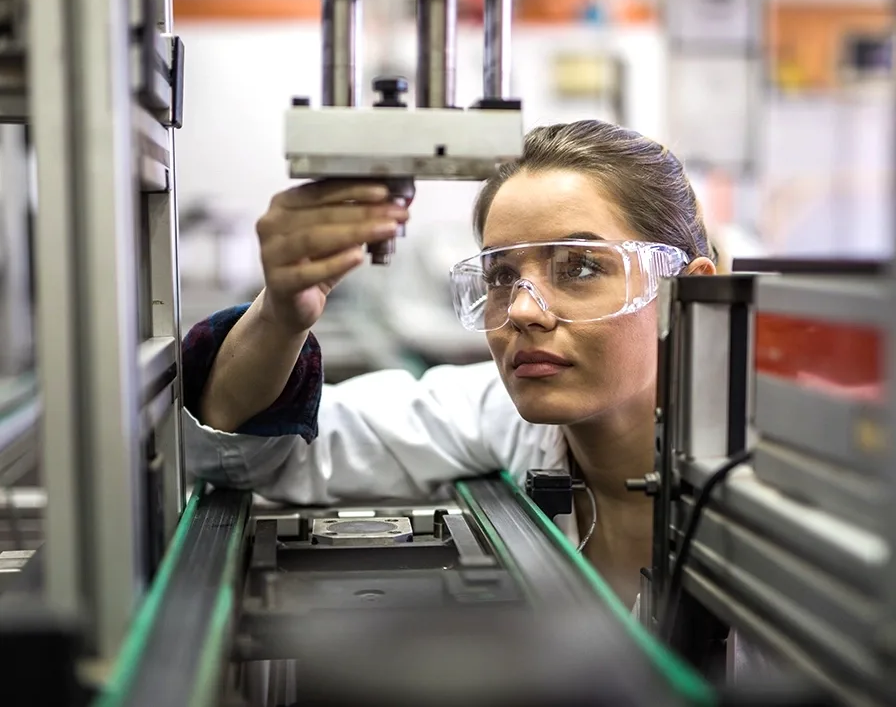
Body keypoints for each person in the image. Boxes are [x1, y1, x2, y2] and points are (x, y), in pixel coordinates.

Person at [182, 119, 716, 608]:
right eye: (503, 276)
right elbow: (253, 453)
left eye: (578, 267)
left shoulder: (772, 474)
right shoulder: (493, 415)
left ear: (687, 293)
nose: (524, 310)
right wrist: (280, 314)